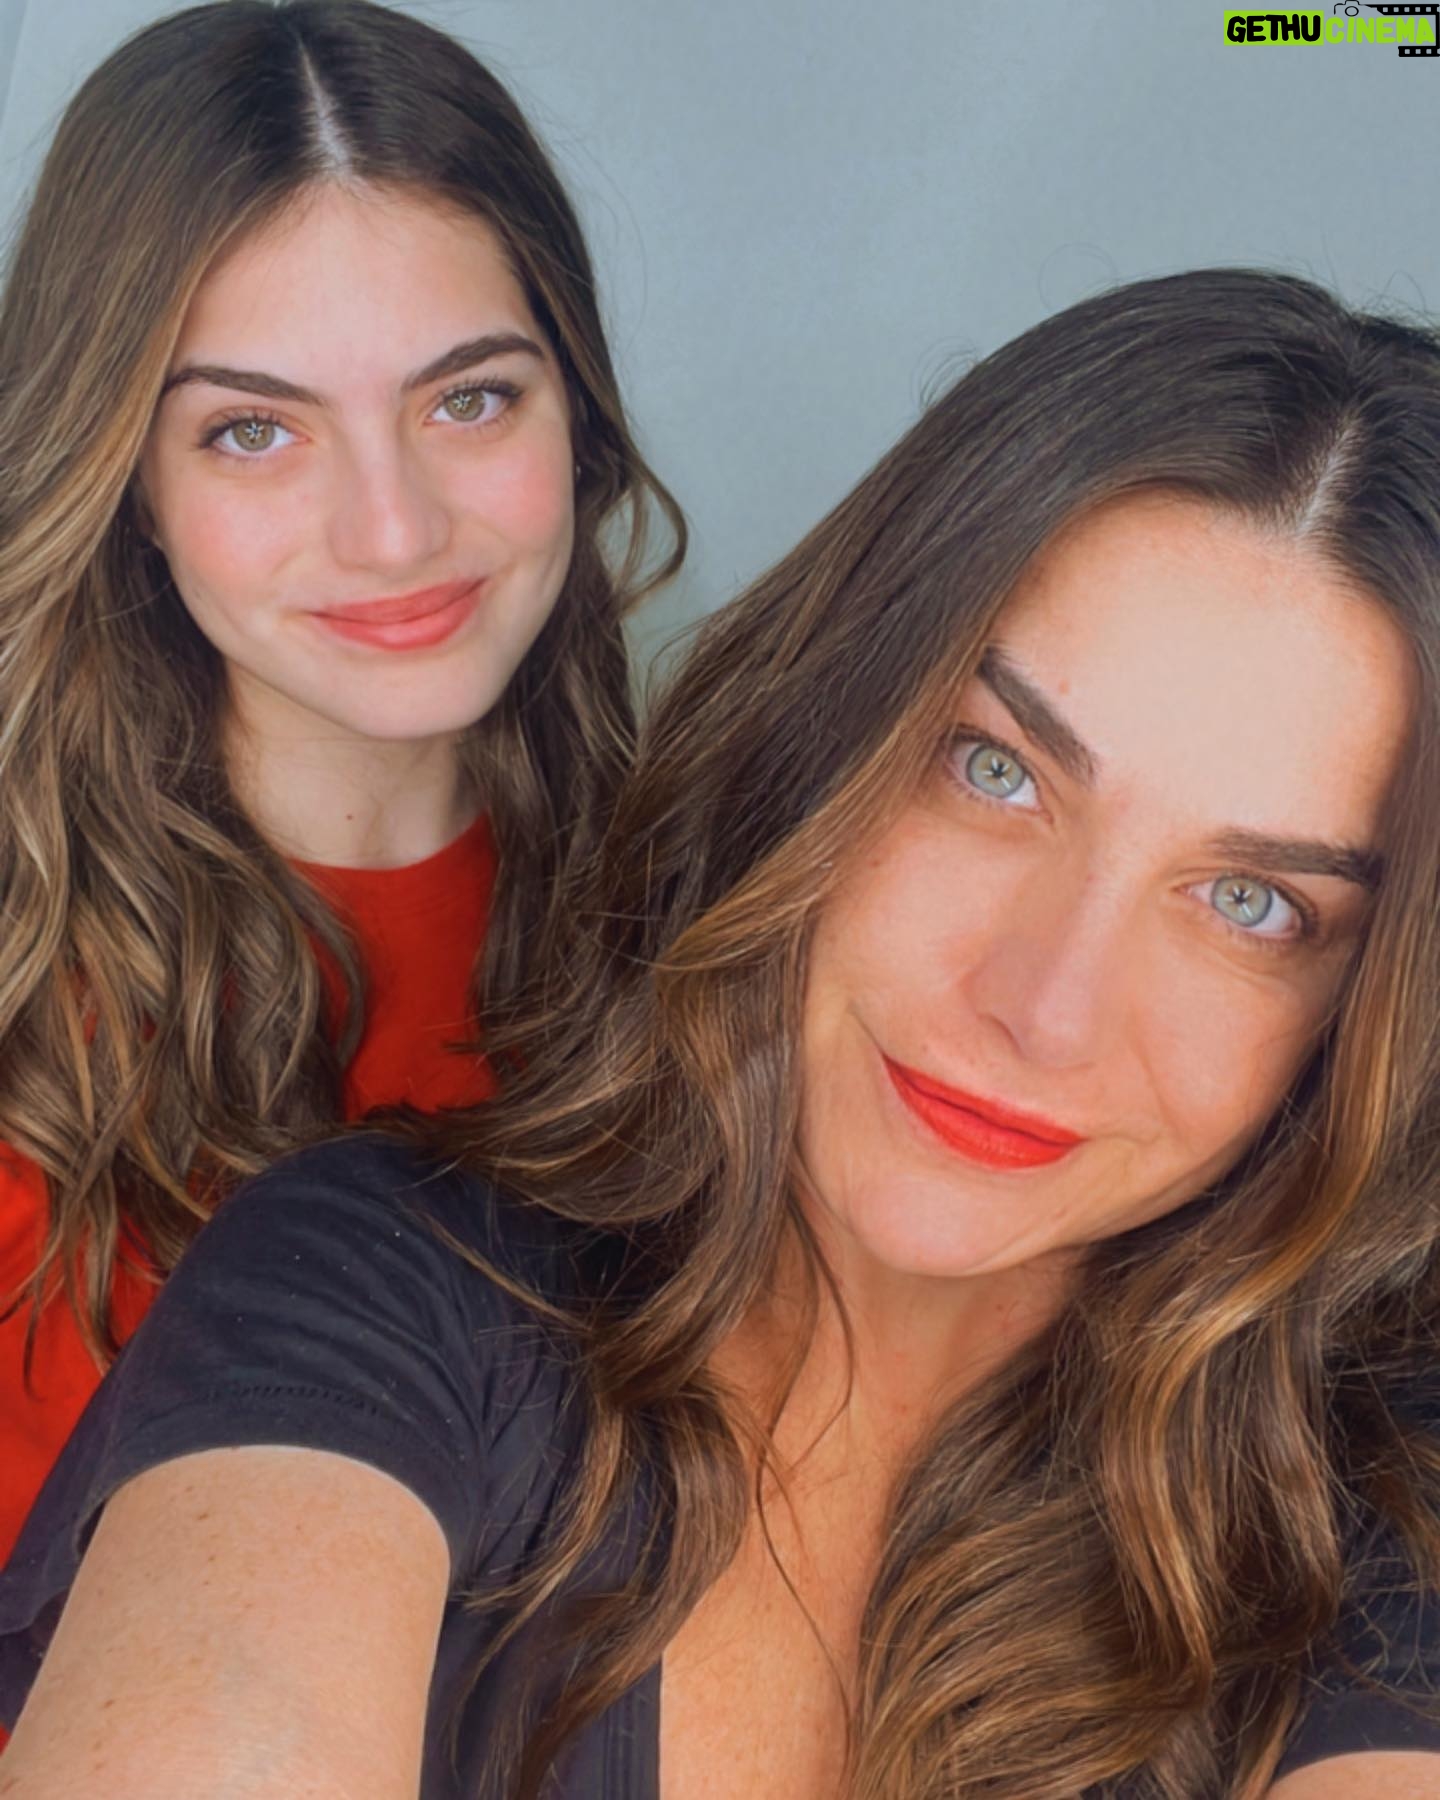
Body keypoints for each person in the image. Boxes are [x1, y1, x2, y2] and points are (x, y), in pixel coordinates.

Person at [3, 267, 1439, 1799]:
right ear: (825, 733)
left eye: (1250, 903)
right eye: (996, 770)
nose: (1044, 1007)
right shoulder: (376, 1285)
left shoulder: (1378, 1495)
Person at [0, 0, 683, 1572]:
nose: (393, 530)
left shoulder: (717, 917)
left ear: (577, 413)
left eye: (469, 398)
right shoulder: (30, 999)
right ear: (129, 485)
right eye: (252, 431)